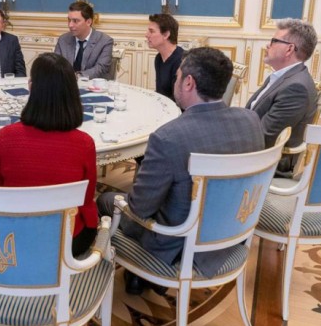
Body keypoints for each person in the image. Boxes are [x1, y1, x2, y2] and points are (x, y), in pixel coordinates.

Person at [97, 47, 264, 294]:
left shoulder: (168, 138)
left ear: (188, 82)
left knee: (105, 201)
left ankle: (134, 275)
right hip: (233, 230)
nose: (174, 81)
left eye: (176, 76)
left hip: (179, 243)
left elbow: (140, 208)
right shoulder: (251, 120)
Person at [0, 53, 98, 256]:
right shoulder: (84, 144)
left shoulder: (5, 137)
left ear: (31, 87)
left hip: (12, 239)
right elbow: (87, 199)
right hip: (66, 241)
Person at [245, 18, 318, 173]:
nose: (267, 45)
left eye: (273, 41)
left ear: (289, 49)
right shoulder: (285, 77)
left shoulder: (296, 88)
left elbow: (264, 137)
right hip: (254, 148)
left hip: (267, 165)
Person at [54, 0, 114, 80]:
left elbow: (101, 69)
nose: (70, 25)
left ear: (88, 22)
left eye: (75, 21)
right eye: (69, 20)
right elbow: (55, 65)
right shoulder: (63, 40)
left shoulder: (104, 41)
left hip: (93, 88)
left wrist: (76, 77)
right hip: (66, 87)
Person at [146, 13, 185, 102]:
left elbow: (178, 100)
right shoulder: (159, 58)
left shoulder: (181, 61)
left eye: (151, 31)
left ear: (166, 35)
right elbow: (161, 92)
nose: (146, 35)